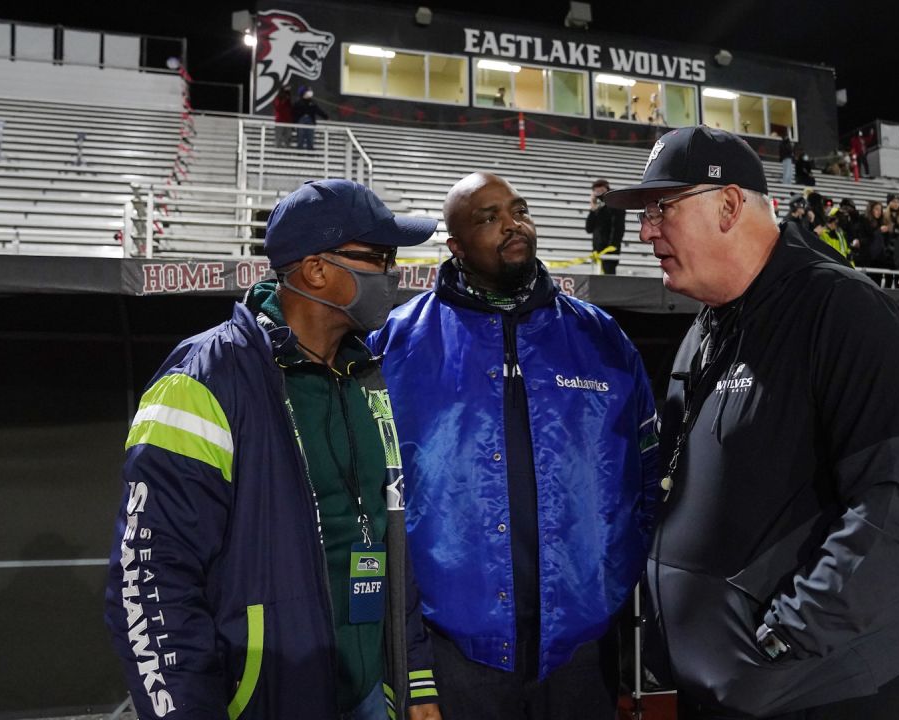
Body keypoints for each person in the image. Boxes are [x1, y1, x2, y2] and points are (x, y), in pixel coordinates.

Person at [603, 125, 899, 719]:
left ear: (730, 205)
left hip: (814, 690)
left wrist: (787, 637)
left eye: (661, 208)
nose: (645, 230)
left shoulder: (843, 310)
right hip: (722, 688)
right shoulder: (705, 329)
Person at [103, 179, 442, 720]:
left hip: (372, 697)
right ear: (317, 270)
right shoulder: (204, 379)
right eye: (379, 257)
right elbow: (150, 578)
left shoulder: (368, 375)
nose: (394, 274)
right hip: (263, 701)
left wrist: (414, 679)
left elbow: (386, 535)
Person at [367, 172, 660, 720]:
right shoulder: (397, 343)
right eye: (489, 217)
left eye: (519, 210)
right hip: (451, 651)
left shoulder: (601, 338)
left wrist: (613, 581)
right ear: (454, 245)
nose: (512, 224)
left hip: (580, 647)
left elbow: (646, 476)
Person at [585, 178, 626, 274]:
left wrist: (611, 249)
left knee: (607, 280)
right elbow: (589, 229)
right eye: (596, 191)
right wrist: (593, 210)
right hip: (597, 252)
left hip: (609, 253)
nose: (599, 193)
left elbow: (618, 228)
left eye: (601, 190)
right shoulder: (598, 209)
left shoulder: (616, 205)